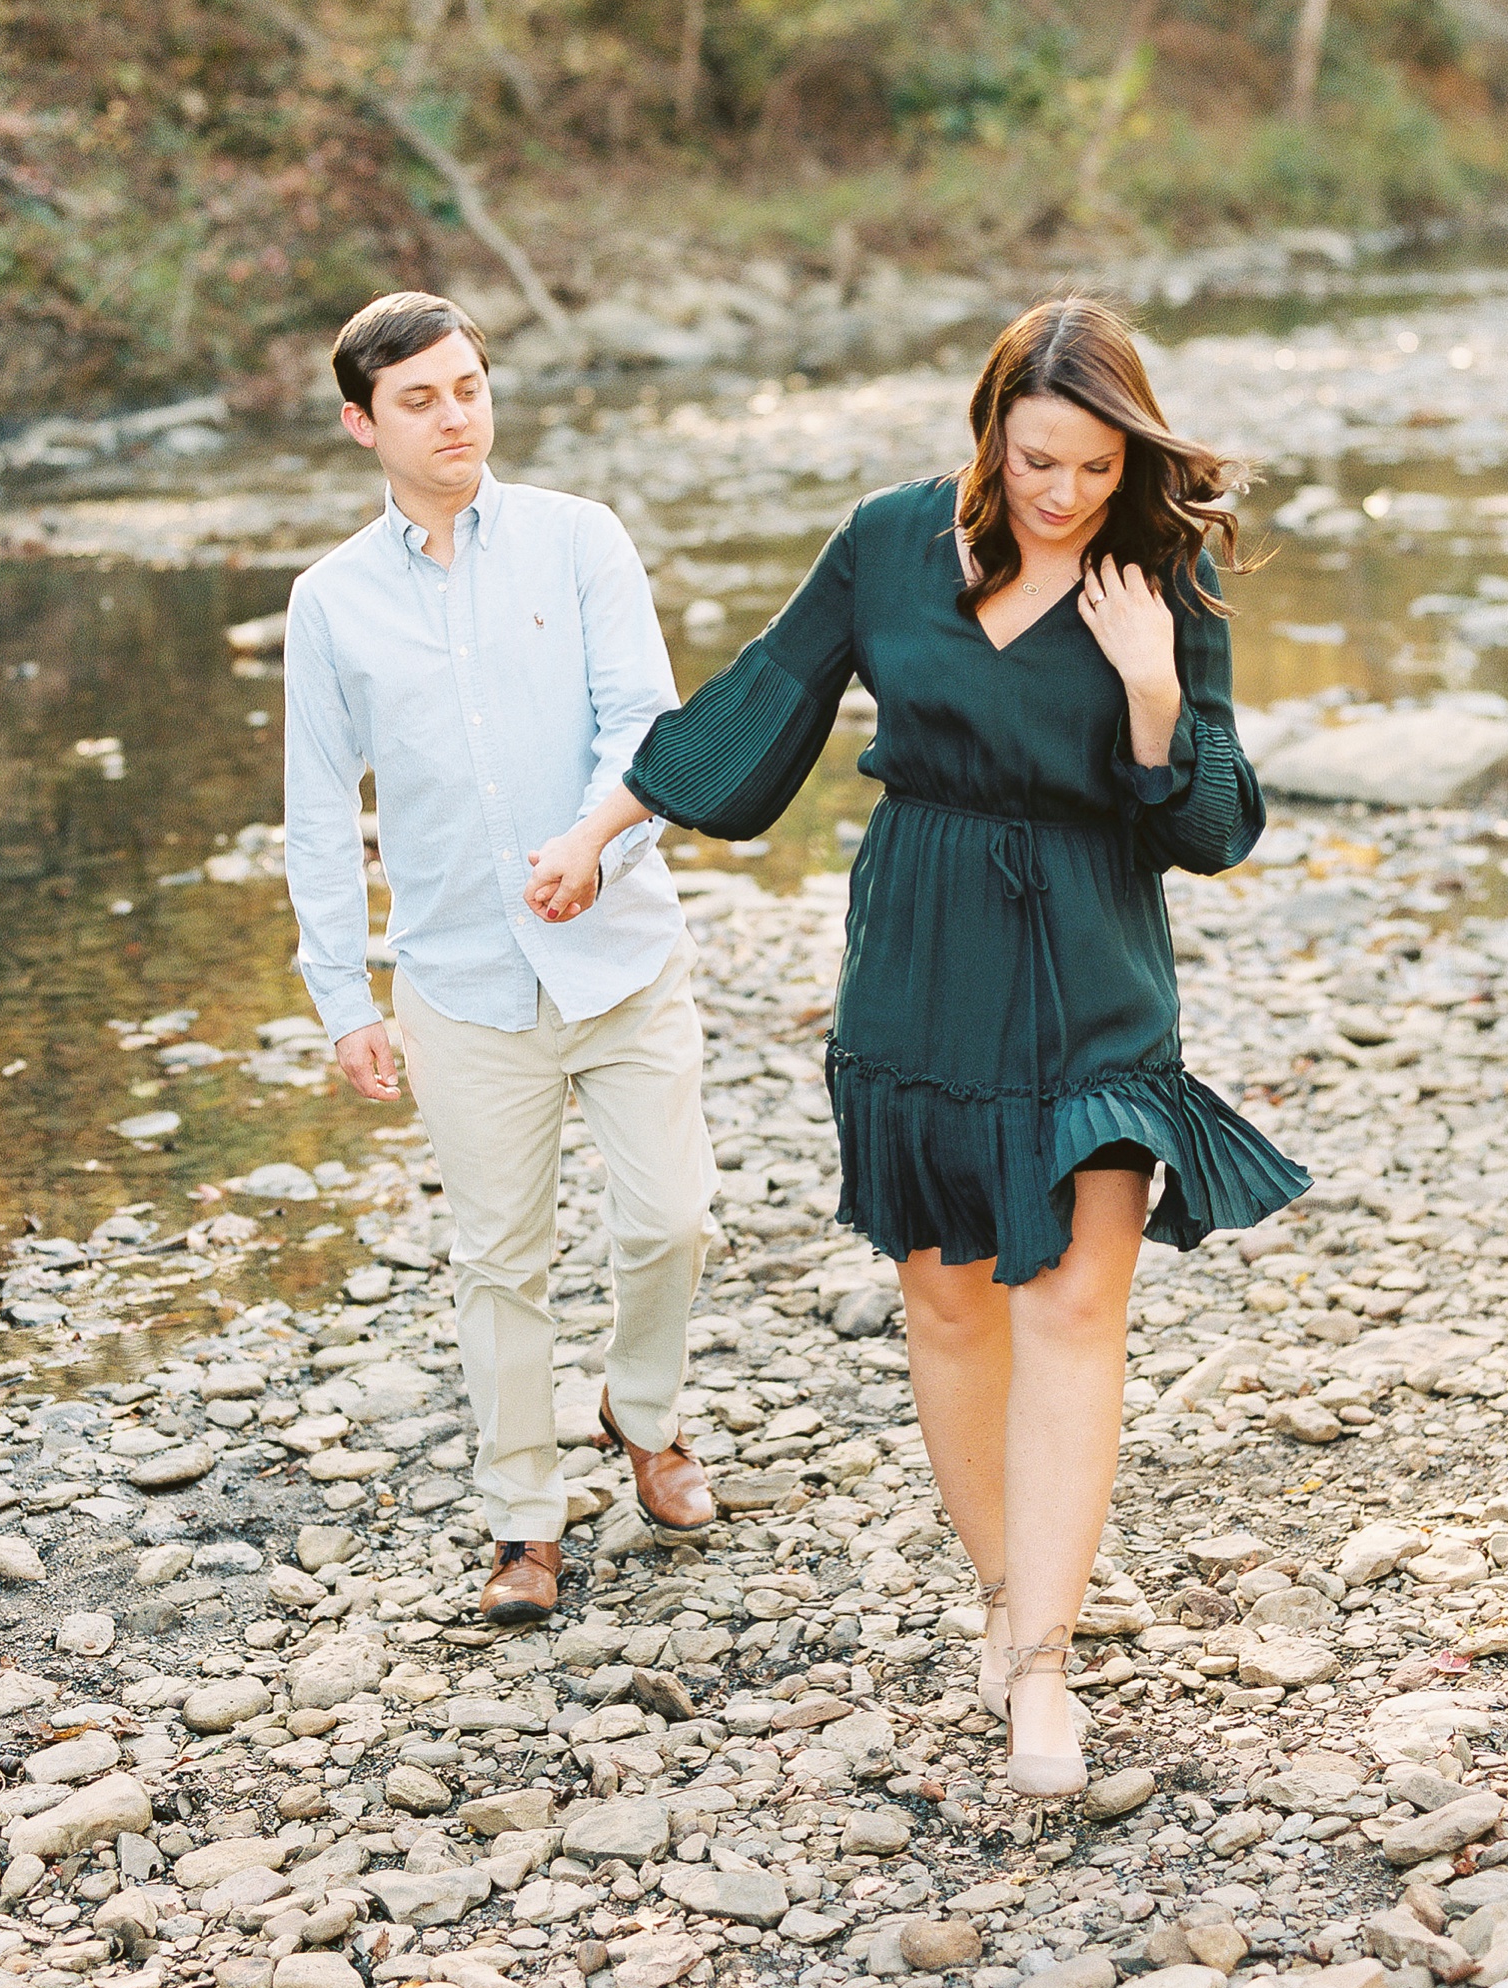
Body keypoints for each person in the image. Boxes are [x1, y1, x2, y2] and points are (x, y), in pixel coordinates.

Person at [521, 296, 1309, 1791]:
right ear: (988, 436)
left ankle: (1042, 1673)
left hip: (1095, 964)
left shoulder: (1166, 579)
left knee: (1077, 1305)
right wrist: (600, 829)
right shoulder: (889, 540)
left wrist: (1150, 688)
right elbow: (761, 702)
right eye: (1036, 463)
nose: (1063, 494)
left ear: (1128, 457)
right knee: (950, 1308)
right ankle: (1008, 1598)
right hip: (922, 956)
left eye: (1091, 467)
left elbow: (1214, 829)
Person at [281, 290, 719, 1627]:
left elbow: (645, 724)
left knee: (672, 1221)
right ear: (364, 424)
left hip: (622, 957)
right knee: (500, 1263)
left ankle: (638, 1414)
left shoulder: (580, 541)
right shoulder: (331, 603)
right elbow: (316, 804)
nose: (455, 414)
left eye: (468, 386)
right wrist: (343, 995)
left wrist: (596, 844)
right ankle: (524, 1522)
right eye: (419, 399)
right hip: (461, 987)